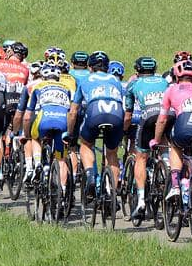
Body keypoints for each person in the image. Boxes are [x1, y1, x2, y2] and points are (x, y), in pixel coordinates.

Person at [152, 60, 192, 201]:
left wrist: (156, 140)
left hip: (185, 122)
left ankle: (175, 186)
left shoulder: (171, 89)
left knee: (175, 146)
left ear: (176, 75)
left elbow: (162, 120)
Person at [71, 51, 125, 201]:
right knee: (112, 153)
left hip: (95, 112)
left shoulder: (85, 80)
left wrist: (70, 132)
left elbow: (74, 111)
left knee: (86, 144)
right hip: (116, 113)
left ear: (90, 67)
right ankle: (111, 193)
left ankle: (90, 176)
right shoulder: (115, 80)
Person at [123, 56, 168, 220]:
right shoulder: (164, 81)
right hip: (167, 117)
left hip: (148, 117)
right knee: (164, 145)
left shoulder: (133, 84)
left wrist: (124, 130)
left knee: (141, 157)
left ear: (137, 70)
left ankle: (141, 200)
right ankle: (167, 170)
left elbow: (128, 115)